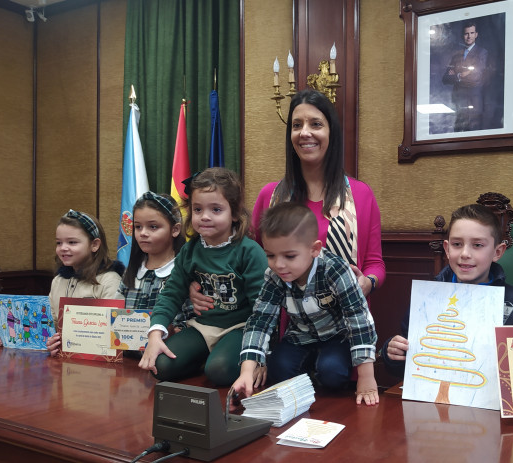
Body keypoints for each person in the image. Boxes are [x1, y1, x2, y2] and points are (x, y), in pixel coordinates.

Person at [190, 88, 385, 312]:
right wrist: (197, 284)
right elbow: (243, 260)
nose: (304, 132)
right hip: (283, 324)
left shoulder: (361, 194)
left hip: (345, 322)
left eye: (316, 124)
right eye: (296, 125)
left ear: (331, 132)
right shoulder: (269, 196)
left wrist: (368, 282)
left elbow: (375, 264)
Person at [230, 202, 379, 406]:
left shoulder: (336, 270)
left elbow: (359, 319)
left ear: (314, 249)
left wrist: (366, 378)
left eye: (289, 256)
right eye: (270, 256)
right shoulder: (274, 276)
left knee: (332, 373)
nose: (279, 265)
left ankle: (321, 369)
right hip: (299, 335)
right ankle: (308, 371)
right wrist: (246, 371)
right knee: (278, 370)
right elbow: (260, 321)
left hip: (337, 336)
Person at [138, 168, 268, 387]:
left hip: (240, 328)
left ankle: (217, 358)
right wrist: (155, 336)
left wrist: (261, 354)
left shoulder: (249, 251)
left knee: (218, 371)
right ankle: (206, 357)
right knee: (161, 366)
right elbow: (171, 294)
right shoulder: (189, 251)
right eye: (197, 209)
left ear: (234, 213)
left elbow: (262, 307)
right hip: (202, 326)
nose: (205, 216)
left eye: (216, 209)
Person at [382, 203, 513, 378]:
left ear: (497, 252)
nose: (465, 253)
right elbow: (406, 361)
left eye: (477, 245)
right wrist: (393, 352)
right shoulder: (427, 299)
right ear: (447, 249)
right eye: (457, 244)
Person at [0, 210, 126, 352]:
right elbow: (50, 322)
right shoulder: (58, 280)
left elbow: (113, 330)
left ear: (95, 245)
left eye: (72, 242)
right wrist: (11, 335)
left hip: (97, 364)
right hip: (60, 361)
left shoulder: (110, 280)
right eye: (59, 243)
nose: (63, 248)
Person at [116, 192, 193, 334]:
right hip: (127, 353)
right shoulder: (132, 271)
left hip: (168, 351)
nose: (143, 233)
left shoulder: (184, 271)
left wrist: (174, 331)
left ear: (175, 229)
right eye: (138, 227)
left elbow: (192, 321)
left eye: (153, 227)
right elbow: (114, 313)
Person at [442, 21, 491, 132]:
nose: (469, 36)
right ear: (463, 35)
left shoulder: (482, 53)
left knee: (471, 135)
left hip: (473, 104)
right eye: (466, 33)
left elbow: (476, 77)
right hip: (458, 103)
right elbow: (445, 79)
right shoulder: (456, 55)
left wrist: (456, 75)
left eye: (472, 33)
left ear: (476, 34)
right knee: (457, 133)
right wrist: (461, 75)